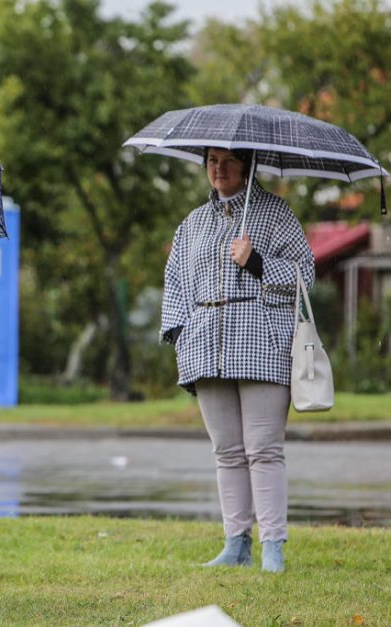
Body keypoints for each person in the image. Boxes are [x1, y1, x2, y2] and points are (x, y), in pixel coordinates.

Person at [160, 147, 314, 573]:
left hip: (262, 342)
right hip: (205, 346)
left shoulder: (275, 213)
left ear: (247, 164)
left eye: (227, 160)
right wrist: (180, 333)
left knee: (264, 450)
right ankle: (236, 544)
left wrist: (258, 262)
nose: (218, 168)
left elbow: (307, 276)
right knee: (226, 451)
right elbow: (174, 283)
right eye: (211, 160)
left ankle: (273, 548)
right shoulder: (192, 223)